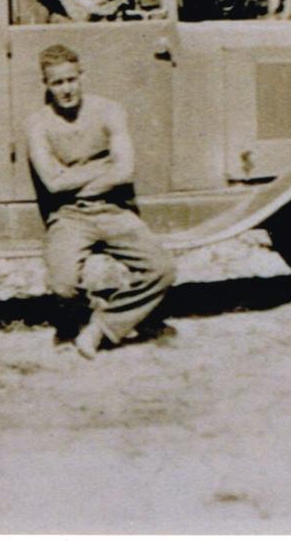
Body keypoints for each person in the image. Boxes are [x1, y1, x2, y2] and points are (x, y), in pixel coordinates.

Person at [22, 43, 175, 357]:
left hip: (113, 210)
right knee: (62, 286)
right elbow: (52, 184)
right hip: (69, 215)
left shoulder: (109, 110)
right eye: (57, 83)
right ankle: (85, 317)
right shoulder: (37, 123)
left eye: (71, 80)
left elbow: (124, 172)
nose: (67, 90)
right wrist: (101, 167)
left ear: (82, 76)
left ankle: (102, 327)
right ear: (46, 85)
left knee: (162, 269)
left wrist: (73, 177)